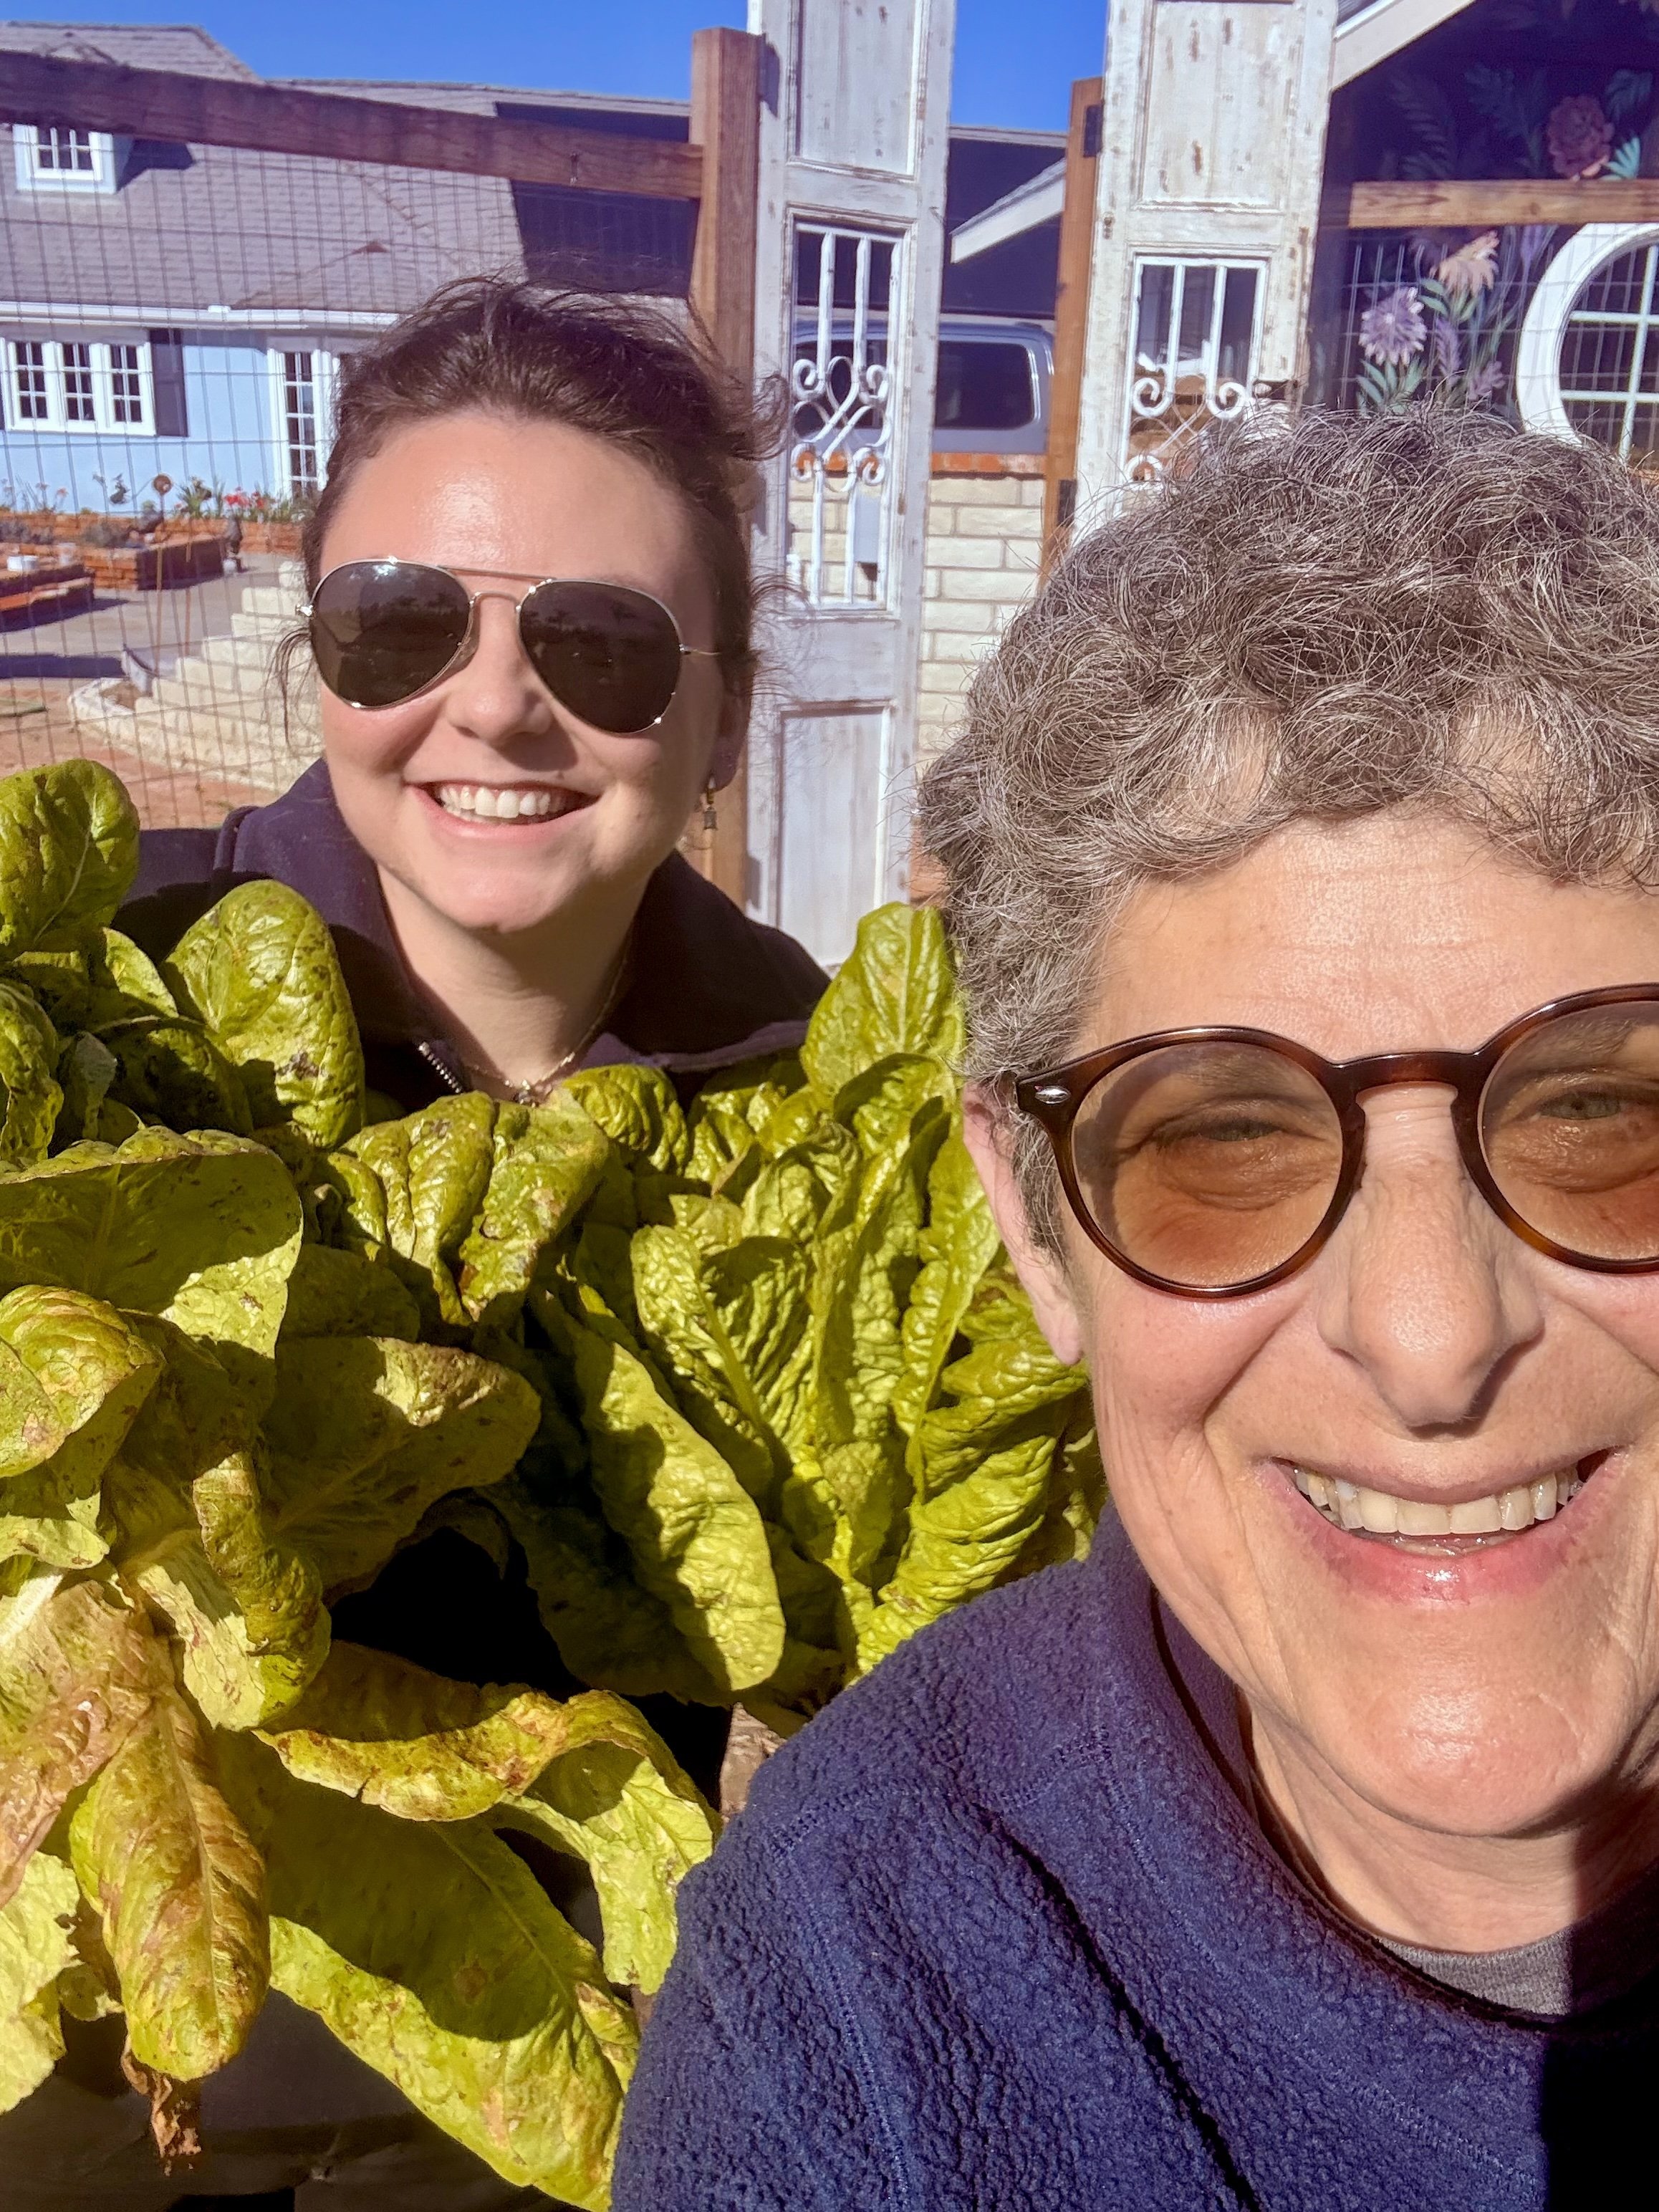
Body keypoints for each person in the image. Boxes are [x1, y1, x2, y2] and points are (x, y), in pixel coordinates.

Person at [613, 406, 1659, 2210]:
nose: (1429, 1338)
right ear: (1038, 1229)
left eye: (1601, 1119)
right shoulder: (858, 1993)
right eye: (1225, 1140)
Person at [10, 279, 824, 2212]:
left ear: (722, 711)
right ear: (321, 664)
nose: (496, 704)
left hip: (536, 2063)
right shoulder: (87, 990)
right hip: (78, 2080)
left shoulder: (813, 1091)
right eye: (402, 624)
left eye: (604, 646)